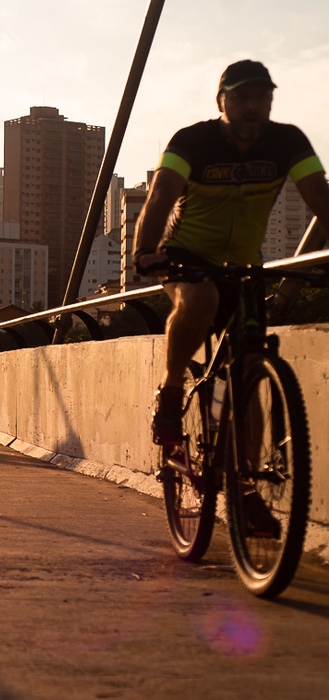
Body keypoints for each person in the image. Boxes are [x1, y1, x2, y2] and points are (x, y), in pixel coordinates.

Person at [134, 60, 329, 535]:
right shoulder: (192, 142)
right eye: (241, 97)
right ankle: (172, 390)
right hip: (186, 256)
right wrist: (144, 251)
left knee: (250, 371)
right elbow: (160, 196)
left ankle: (245, 491)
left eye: (262, 97)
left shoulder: (288, 142)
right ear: (221, 101)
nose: (252, 106)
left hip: (244, 266)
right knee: (199, 302)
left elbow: (321, 199)